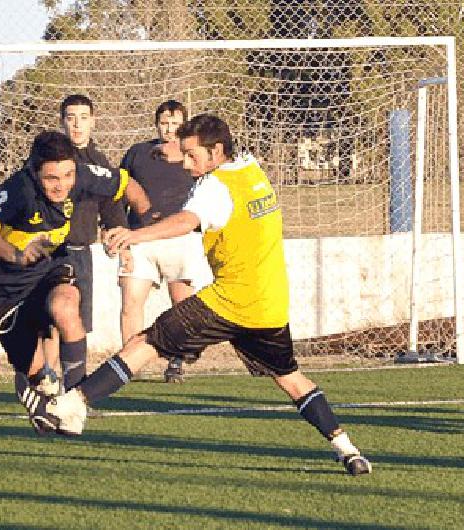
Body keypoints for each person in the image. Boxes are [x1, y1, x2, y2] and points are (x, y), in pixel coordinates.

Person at [32, 114, 373, 476]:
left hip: (228, 302)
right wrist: (177, 148)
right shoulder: (250, 168)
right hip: (269, 305)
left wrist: (135, 235)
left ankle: (72, 403)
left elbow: (185, 221)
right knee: (291, 379)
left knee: (147, 342)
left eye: (193, 155)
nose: (187, 163)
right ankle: (347, 449)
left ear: (216, 152)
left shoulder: (214, 188)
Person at [0, 129, 138, 436]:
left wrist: (146, 222)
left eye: (67, 175)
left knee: (65, 307)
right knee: (37, 377)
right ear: (35, 172)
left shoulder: (82, 173)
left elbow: (126, 184)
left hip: (49, 269)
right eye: (51, 178)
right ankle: (36, 390)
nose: (62, 185)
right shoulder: (19, 188)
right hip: (5, 291)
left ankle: (74, 403)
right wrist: (17, 255)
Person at [43, 94, 151, 392]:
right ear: (61, 121)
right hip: (50, 253)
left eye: (83, 117)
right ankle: (48, 384)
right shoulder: (49, 160)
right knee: (52, 320)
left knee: (75, 324)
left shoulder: (99, 162)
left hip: (81, 253)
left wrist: (121, 243)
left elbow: (111, 207)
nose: (77, 124)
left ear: (93, 121)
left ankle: (70, 391)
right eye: (70, 117)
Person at [118, 100, 212, 383]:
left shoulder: (193, 157)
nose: (169, 130)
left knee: (180, 304)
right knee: (131, 301)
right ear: (156, 124)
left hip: (179, 238)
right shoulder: (137, 154)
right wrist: (120, 233)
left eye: (175, 124)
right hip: (140, 239)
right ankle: (126, 366)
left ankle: (176, 361)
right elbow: (120, 192)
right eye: (164, 123)